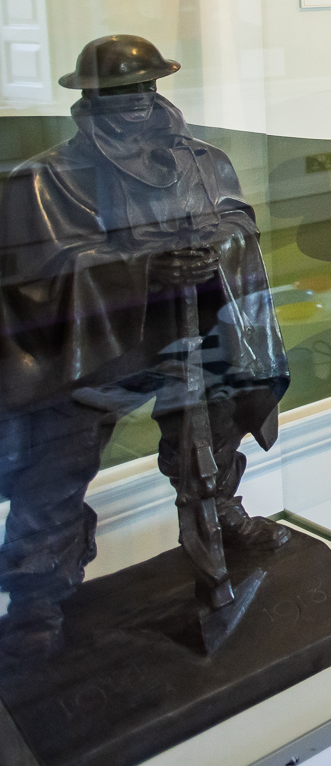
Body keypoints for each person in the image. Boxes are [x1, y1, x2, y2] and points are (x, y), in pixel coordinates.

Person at [0, 36, 289, 654]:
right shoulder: (45, 182)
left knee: (212, 437)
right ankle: (33, 597)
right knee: (53, 472)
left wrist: (214, 250)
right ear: (90, 98)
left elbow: (239, 222)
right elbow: (30, 281)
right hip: (92, 357)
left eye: (145, 88)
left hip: (194, 338)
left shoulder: (201, 162)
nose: (136, 103)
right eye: (120, 93)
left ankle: (221, 513)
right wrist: (140, 270)